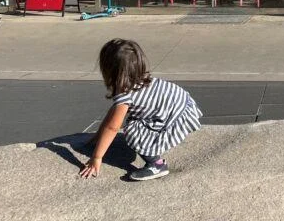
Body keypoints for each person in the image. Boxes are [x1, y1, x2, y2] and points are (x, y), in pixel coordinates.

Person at [79, 39, 202, 181]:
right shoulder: (139, 79)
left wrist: (96, 157)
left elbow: (113, 127)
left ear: (108, 70)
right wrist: (99, 135)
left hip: (174, 115)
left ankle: (156, 164)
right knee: (133, 119)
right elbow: (112, 115)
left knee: (132, 128)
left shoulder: (125, 94)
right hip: (183, 103)